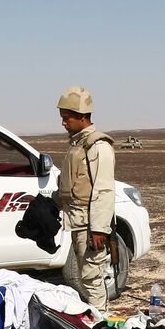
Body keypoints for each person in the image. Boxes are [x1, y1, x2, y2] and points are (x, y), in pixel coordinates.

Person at [54, 86, 116, 310]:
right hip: (78, 222)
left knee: (91, 277)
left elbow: (104, 190)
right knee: (85, 275)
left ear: (82, 117)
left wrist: (99, 228)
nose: (63, 123)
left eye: (67, 118)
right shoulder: (77, 145)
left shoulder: (97, 147)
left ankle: (101, 322)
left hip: (90, 225)